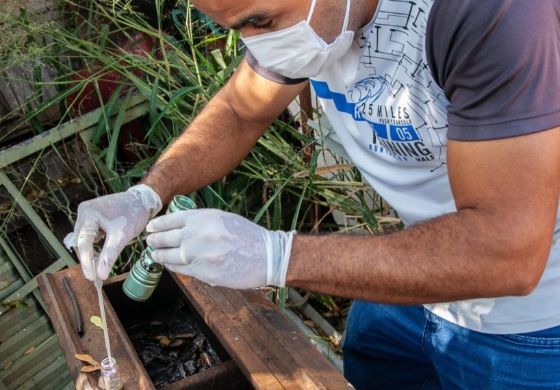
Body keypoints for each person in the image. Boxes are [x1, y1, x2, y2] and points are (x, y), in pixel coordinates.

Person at [64, 0, 560, 388]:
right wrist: (147, 194)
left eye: (261, 20)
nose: (255, 44)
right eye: (236, 28)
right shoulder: (312, 24)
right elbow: (241, 110)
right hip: (417, 271)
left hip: (531, 324)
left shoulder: (487, 15)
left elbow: (508, 252)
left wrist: (276, 255)